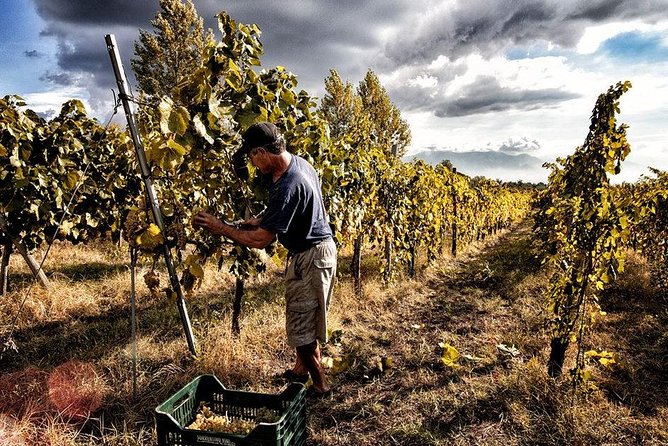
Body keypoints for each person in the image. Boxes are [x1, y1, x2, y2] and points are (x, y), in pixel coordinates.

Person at [192, 122, 336, 397]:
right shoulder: (299, 164)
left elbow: (261, 241)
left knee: (302, 328)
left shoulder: (287, 184)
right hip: (318, 251)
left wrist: (220, 227)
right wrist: (262, 220)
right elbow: (297, 208)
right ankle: (299, 372)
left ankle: (319, 387)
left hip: (311, 256)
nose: (253, 164)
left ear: (261, 152)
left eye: (251, 157)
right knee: (307, 318)